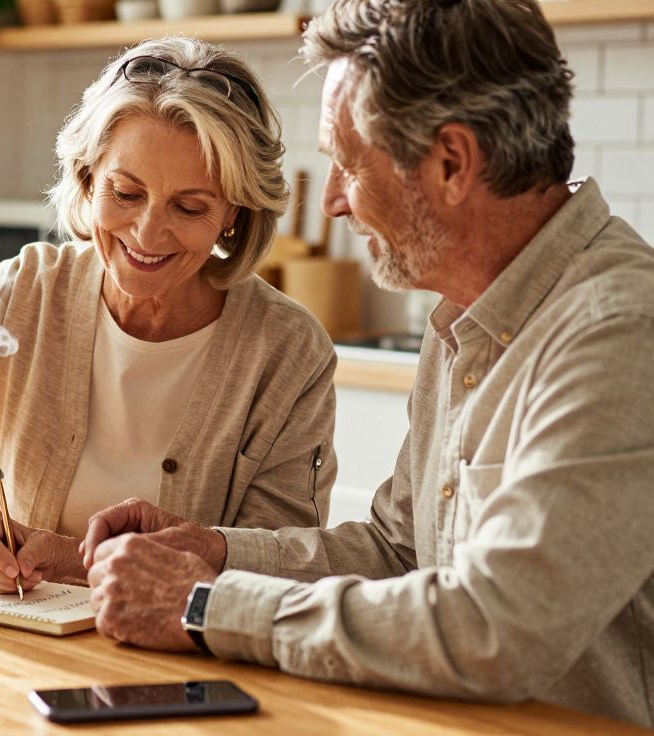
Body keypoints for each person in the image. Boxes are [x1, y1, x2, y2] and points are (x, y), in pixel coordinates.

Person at [80, 0, 654, 727]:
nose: (336, 204)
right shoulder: (465, 317)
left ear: (451, 162)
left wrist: (202, 605)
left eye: (349, 165)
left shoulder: (616, 332)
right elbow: (396, 550)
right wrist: (214, 550)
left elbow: (495, 631)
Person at [0, 37, 338, 594]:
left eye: (189, 206)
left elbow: (282, 564)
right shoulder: (28, 291)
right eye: (126, 193)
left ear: (234, 212)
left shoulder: (287, 349)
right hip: (29, 639)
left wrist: (73, 560)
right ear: (88, 179)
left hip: (189, 655)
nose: (148, 234)